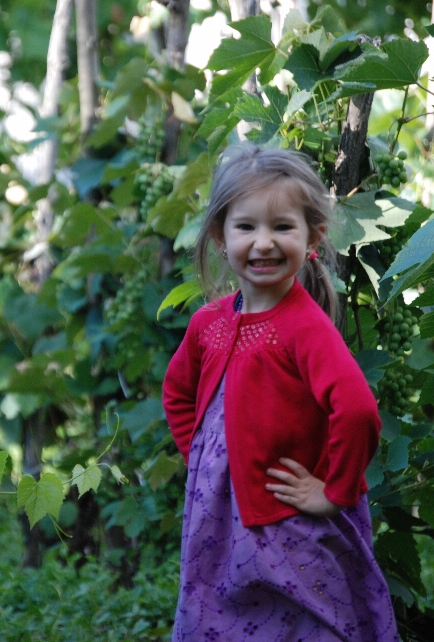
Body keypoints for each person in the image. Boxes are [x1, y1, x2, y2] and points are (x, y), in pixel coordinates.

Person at [162, 144, 398, 641]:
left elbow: (357, 412)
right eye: (246, 227)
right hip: (219, 516)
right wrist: (203, 457)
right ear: (220, 236)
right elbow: (178, 392)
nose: (263, 243)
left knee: (311, 619)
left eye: (282, 227)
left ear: (313, 236)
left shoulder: (303, 327)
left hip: (285, 515)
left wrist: (332, 489)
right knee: (222, 616)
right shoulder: (209, 323)